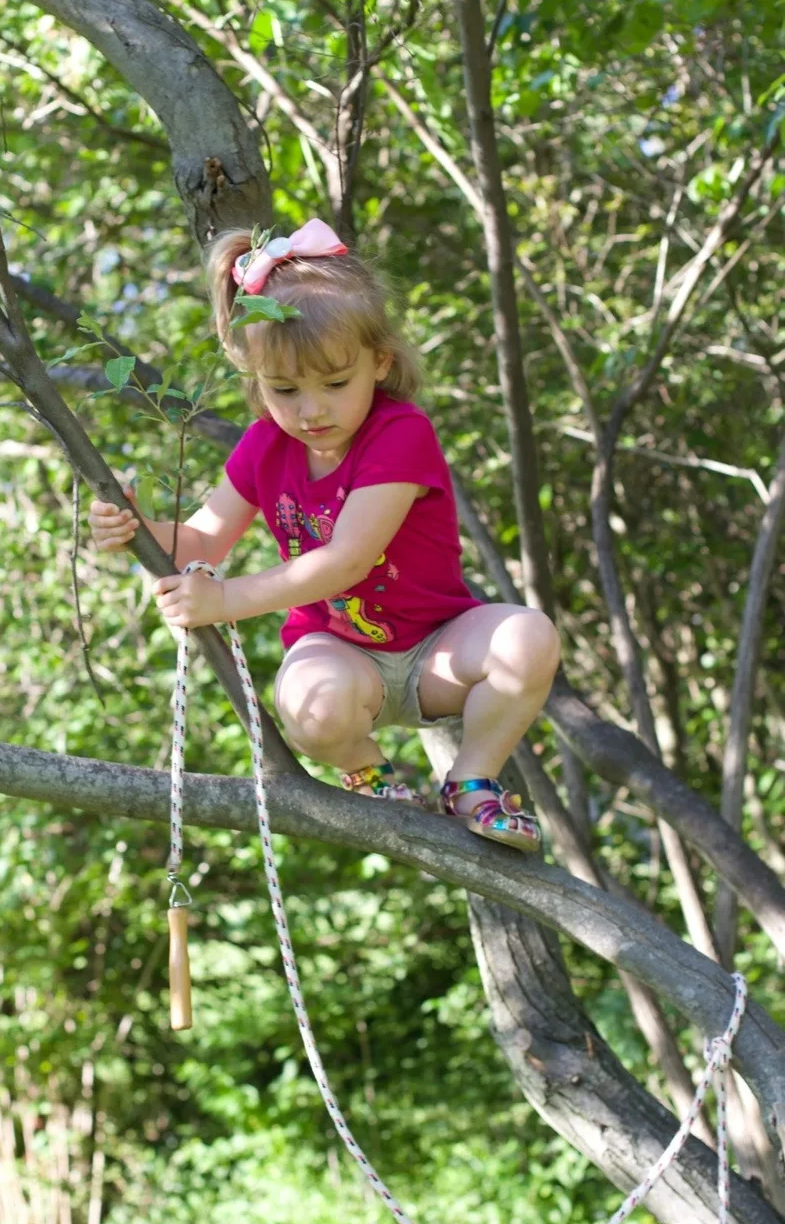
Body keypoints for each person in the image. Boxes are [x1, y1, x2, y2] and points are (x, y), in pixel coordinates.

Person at [88, 219, 560, 850]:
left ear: (380, 362)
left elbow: (347, 560)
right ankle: (368, 773)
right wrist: (136, 528)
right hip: (339, 651)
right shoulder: (265, 446)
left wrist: (225, 601)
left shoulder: (400, 433)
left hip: (436, 650)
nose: (311, 410)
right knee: (310, 704)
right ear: (257, 380)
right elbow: (201, 542)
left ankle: (472, 782)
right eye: (284, 390)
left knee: (528, 637)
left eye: (335, 384)